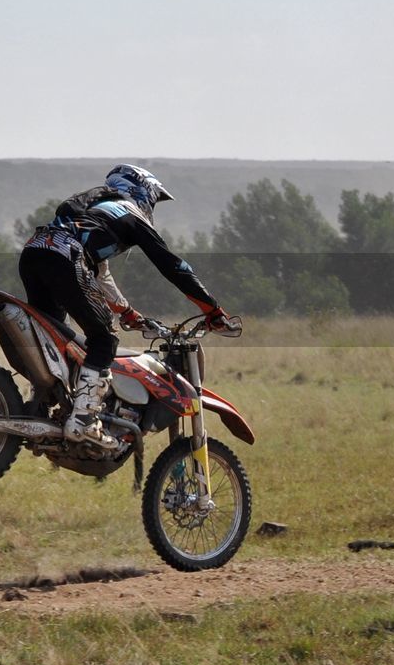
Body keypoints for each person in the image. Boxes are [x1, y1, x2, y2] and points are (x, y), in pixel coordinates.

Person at [18, 164, 233, 451]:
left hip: (35, 251)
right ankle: (83, 420)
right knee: (104, 339)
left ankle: (40, 409)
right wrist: (212, 309)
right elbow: (172, 265)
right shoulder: (129, 212)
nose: (152, 207)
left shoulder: (96, 207)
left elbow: (98, 272)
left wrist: (127, 312)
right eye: (153, 200)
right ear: (142, 191)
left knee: (56, 341)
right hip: (64, 256)